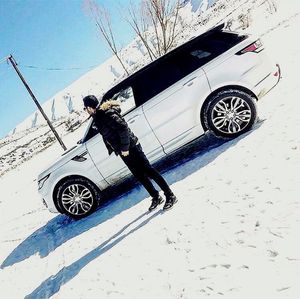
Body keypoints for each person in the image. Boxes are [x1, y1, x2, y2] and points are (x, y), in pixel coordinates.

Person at [83, 95, 177, 211]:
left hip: (131, 147)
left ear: (90, 107)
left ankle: (170, 195)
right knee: (140, 176)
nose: (85, 110)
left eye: (85, 107)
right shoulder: (98, 116)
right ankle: (156, 196)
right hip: (123, 150)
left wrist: (125, 148)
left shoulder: (106, 113)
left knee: (149, 171)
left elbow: (123, 128)